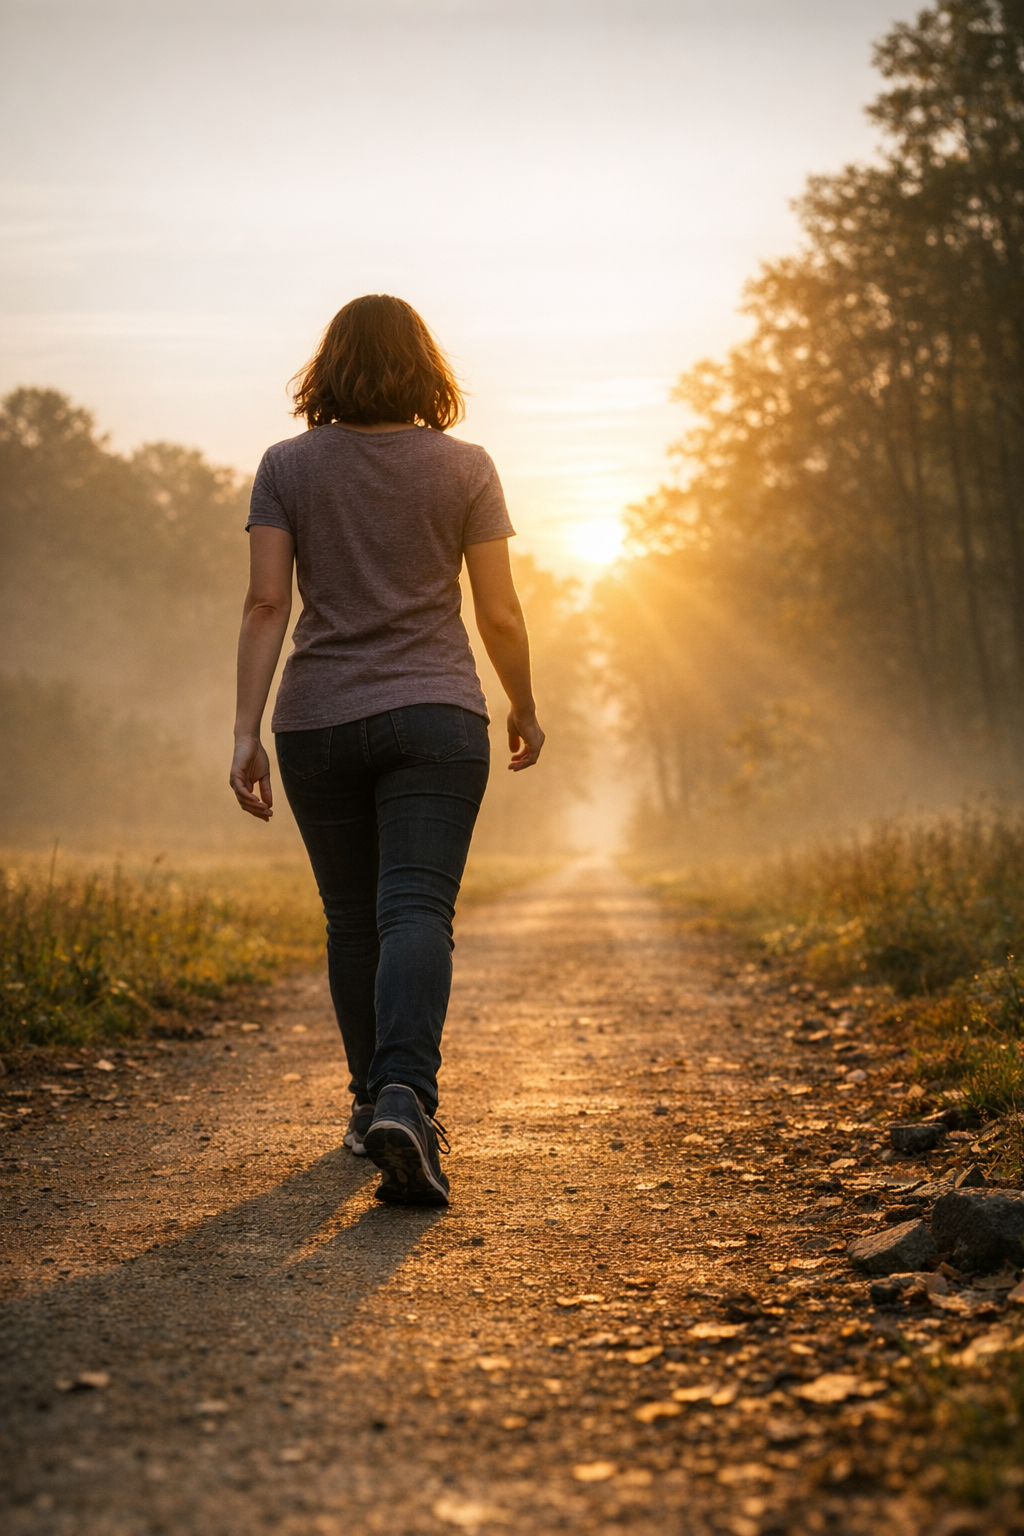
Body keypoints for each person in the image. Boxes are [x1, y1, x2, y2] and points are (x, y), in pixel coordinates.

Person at [229, 294, 544, 1208]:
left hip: (316, 720)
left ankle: (372, 1103)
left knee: (351, 918)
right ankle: (405, 1095)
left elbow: (266, 604)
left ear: (327, 368)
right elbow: (498, 610)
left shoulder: (286, 465)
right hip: (436, 717)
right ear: (425, 367)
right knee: (415, 909)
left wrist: (245, 729)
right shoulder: (466, 467)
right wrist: (523, 703)